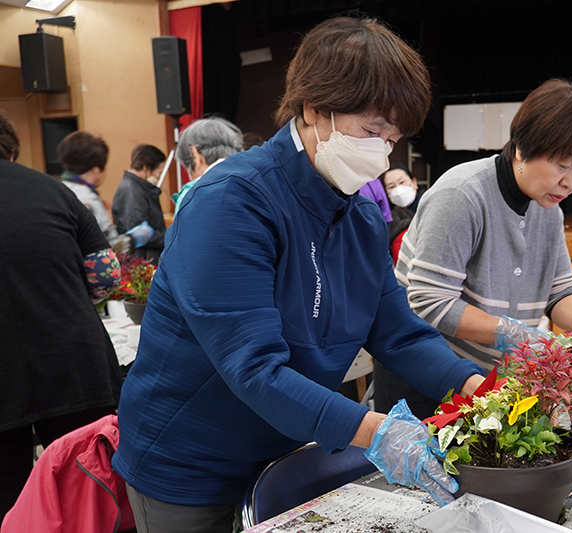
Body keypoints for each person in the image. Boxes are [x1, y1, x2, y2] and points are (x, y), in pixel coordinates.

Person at [112, 16, 484, 533]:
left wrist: (482, 389)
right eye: (372, 130)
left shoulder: (358, 217)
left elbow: (397, 331)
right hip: (194, 467)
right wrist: (378, 431)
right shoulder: (232, 205)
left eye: (393, 137)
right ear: (314, 109)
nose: (383, 151)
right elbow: (254, 368)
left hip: (288, 451)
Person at [382, 78, 572, 418]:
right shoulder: (462, 195)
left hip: (490, 380)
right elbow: (430, 302)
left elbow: (560, 293)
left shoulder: (549, 211)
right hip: (430, 377)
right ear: (522, 146)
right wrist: (514, 334)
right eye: (563, 165)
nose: (571, 181)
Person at [0, 111, 123, 523]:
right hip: (72, 356)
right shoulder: (53, 190)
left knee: (11, 506)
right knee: (90, 493)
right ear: (10, 147)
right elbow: (106, 275)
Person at [57, 130, 118, 242]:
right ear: (95, 170)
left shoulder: (56, 190)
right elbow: (109, 245)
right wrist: (133, 238)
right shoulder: (89, 201)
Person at [172, 116, 243, 211]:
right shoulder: (254, 182)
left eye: (188, 167)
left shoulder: (190, 197)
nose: (191, 177)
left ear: (194, 154)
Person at [111, 144, 168, 262]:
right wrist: (169, 237)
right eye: (159, 172)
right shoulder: (132, 190)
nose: (159, 176)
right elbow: (137, 231)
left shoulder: (137, 187)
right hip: (140, 262)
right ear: (146, 167)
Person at [378, 163, 421, 264]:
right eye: (391, 186)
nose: (398, 189)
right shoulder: (386, 220)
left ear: (414, 182)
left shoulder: (428, 207)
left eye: (402, 182)